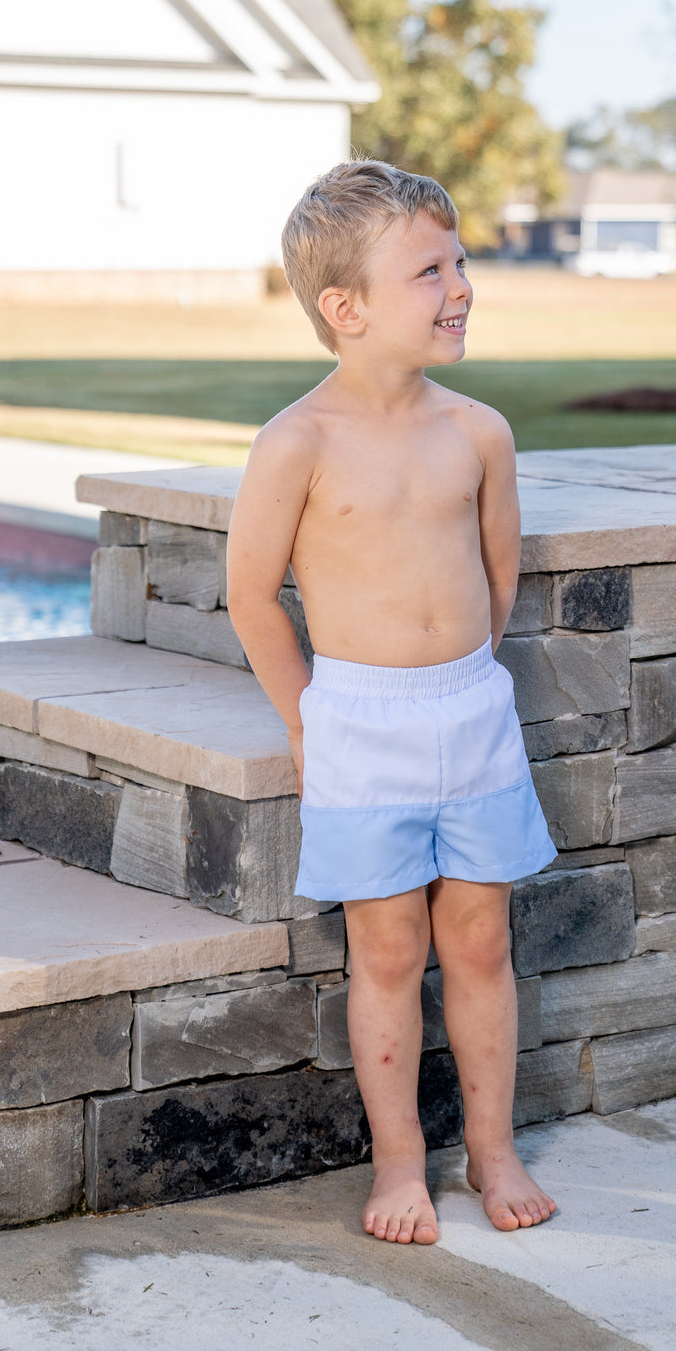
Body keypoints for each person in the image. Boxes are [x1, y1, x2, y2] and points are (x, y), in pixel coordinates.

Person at [226, 160, 559, 1246]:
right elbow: (251, 597)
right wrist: (307, 718)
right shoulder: (297, 445)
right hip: (360, 724)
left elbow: (496, 578)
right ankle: (401, 1163)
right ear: (347, 307)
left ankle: (492, 1149)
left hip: (471, 716)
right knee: (385, 953)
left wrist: (457, 673)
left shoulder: (478, 433)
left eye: (459, 262)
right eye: (430, 269)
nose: (460, 283)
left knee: (478, 941)